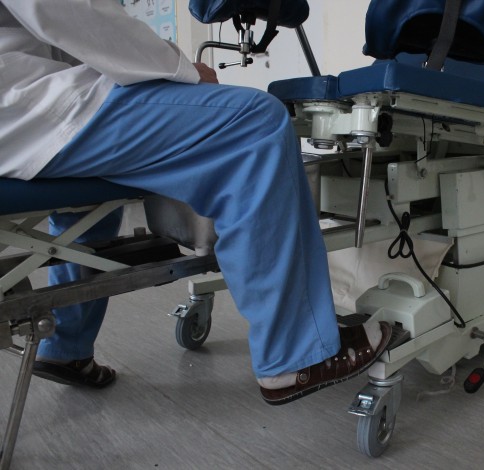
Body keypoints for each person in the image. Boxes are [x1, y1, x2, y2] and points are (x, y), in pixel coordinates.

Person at [0, 0, 391, 406]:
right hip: (21, 107)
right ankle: (297, 354)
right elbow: (72, 11)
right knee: (257, 123)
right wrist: (180, 68)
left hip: (21, 114)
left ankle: (66, 346)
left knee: (89, 187)